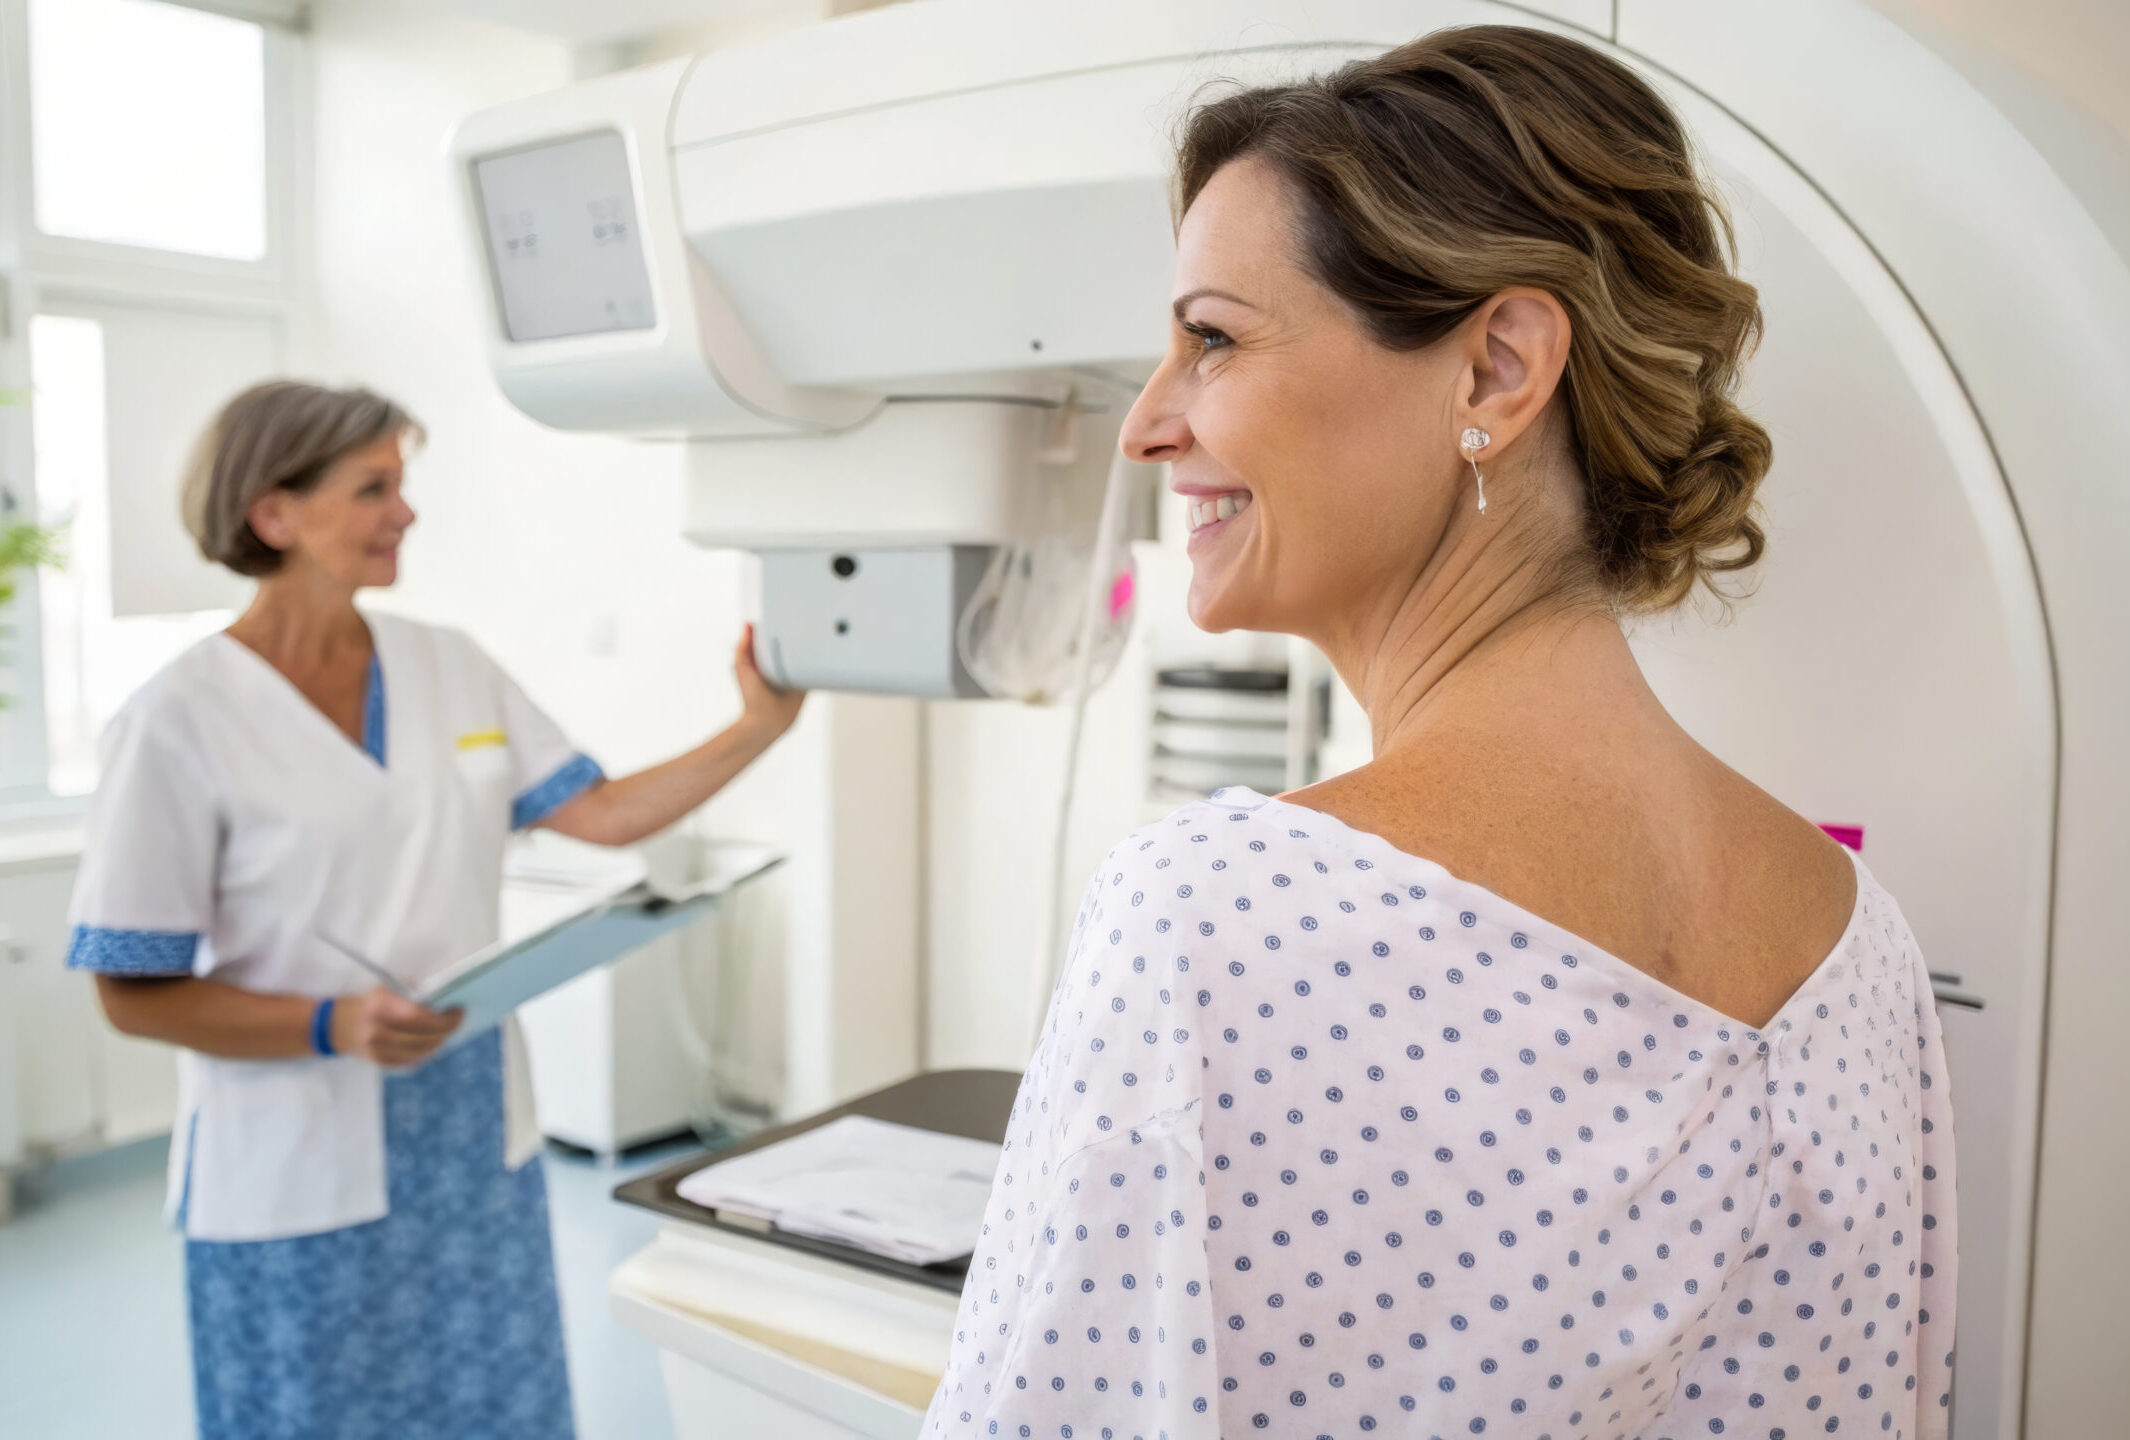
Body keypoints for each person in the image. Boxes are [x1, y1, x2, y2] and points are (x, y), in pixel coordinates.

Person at [925, 25, 1955, 1440]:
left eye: (1211, 339)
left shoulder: (1215, 918)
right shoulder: (1859, 946)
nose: (1145, 426)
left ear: (1492, 373)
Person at [66, 380, 804, 1440]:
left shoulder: (447, 665)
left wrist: (757, 729)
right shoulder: (175, 720)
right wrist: (332, 1023)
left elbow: (599, 814)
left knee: (492, 1406)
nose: (405, 513)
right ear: (274, 514)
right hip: (290, 1163)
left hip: (468, 1147)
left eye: (401, 486)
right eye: (373, 489)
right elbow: (133, 993)